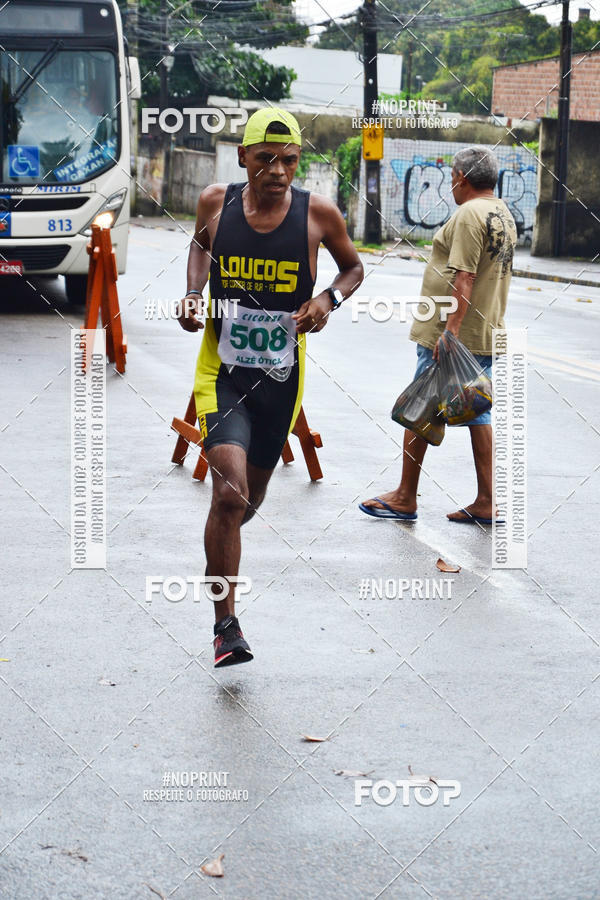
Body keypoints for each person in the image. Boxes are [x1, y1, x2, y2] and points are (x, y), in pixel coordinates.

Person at [178, 107, 363, 667]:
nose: (278, 171)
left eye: (289, 160)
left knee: (246, 502)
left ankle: (222, 543)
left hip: (281, 383)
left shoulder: (318, 214)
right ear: (243, 157)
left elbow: (353, 269)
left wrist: (327, 299)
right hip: (222, 374)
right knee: (228, 491)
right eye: (265, 159)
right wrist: (193, 294)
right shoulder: (216, 203)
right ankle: (226, 627)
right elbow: (200, 246)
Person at [360, 146, 517, 525]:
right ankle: (486, 500)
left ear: (461, 178)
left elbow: (465, 276)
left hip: (452, 335)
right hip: (485, 330)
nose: (451, 185)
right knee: (477, 410)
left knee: (421, 407)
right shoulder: (502, 212)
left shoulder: (468, 214)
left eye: (452, 179)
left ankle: (405, 497)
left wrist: (450, 332)